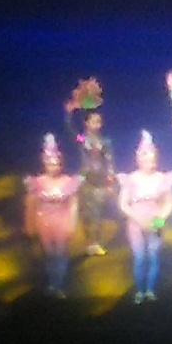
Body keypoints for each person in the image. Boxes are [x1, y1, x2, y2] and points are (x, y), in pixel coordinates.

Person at [118, 131, 172, 304]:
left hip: (156, 221)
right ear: (139, 160)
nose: (150, 163)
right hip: (136, 222)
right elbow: (123, 204)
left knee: (153, 256)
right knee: (139, 257)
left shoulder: (162, 178)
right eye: (146, 160)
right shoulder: (130, 179)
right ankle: (140, 290)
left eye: (152, 160)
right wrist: (138, 219)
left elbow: (169, 203)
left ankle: (150, 290)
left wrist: (159, 220)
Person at [23, 133, 79, 297]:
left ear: (61, 164)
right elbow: (31, 204)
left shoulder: (69, 181)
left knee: (61, 253)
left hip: (62, 220)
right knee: (49, 254)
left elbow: (73, 205)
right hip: (44, 221)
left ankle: (59, 285)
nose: (53, 167)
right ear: (44, 163)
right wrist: (29, 224)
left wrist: (72, 224)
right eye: (50, 164)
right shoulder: (37, 182)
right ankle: (52, 284)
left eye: (56, 164)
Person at [64, 79, 115, 255]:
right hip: (86, 180)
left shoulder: (105, 141)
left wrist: (110, 179)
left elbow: (109, 160)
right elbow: (70, 131)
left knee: (99, 213)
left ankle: (97, 242)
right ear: (87, 123)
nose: (97, 125)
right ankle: (88, 241)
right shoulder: (82, 140)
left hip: (100, 180)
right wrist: (69, 114)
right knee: (86, 214)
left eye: (99, 122)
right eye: (94, 121)